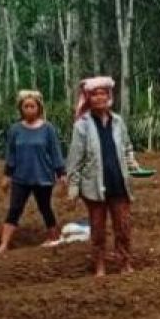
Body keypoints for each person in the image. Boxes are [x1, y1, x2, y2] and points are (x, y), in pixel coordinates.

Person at [65, 76, 141, 277]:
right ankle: (100, 265)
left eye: (103, 94)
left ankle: (124, 262)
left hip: (119, 183)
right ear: (88, 99)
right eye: (95, 94)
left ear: (109, 96)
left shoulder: (118, 122)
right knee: (98, 230)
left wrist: (132, 163)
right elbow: (75, 159)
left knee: (123, 227)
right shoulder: (82, 125)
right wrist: (73, 189)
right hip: (94, 186)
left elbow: (127, 147)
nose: (100, 98)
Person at [0, 90, 66, 253]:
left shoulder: (48, 129)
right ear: (21, 109)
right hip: (21, 177)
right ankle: (4, 244)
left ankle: (54, 237)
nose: (29, 109)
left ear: (39, 108)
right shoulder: (15, 130)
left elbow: (55, 152)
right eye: (26, 106)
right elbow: (11, 154)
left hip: (43, 176)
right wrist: (7, 176)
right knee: (14, 209)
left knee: (45, 207)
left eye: (32, 106)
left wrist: (61, 173)